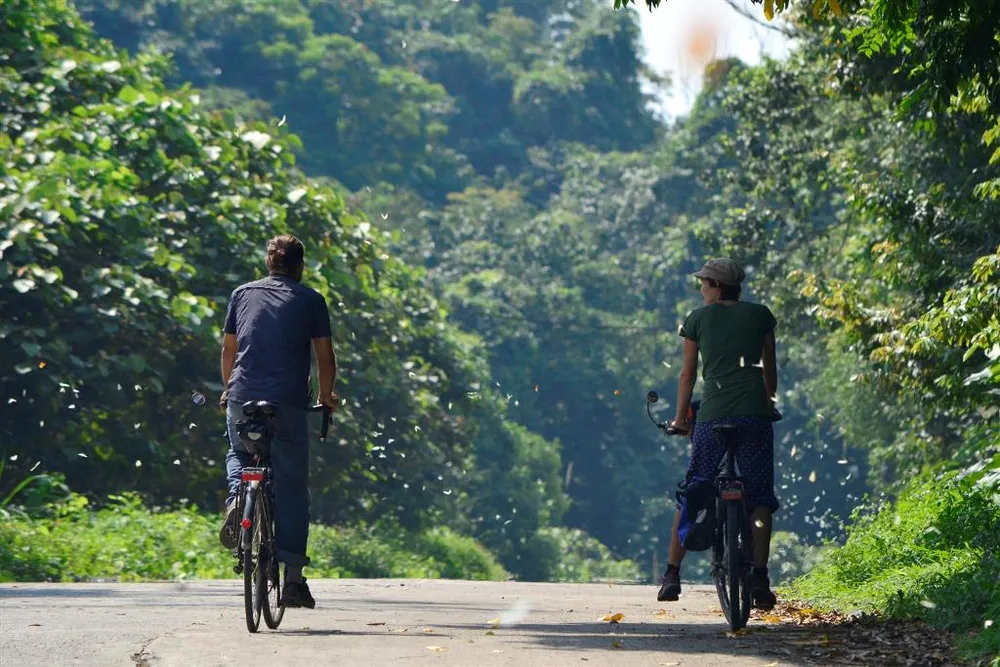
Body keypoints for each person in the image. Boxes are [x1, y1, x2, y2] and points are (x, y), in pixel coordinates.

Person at [217, 234, 338, 609]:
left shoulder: (241, 294)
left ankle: (237, 497)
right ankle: (293, 582)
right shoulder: (311, 300)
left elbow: (229, 349)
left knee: (239, 452)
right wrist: (326, 396)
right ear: (300, 266)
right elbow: (325, 357)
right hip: (286, 403)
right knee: (292, 486)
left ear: (269, 263)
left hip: (241, 396)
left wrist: (228, 389)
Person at [657, 257, 779, 610]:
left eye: (704, 283)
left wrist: (680, 419)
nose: (701, 289)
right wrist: (769, 403)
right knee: (759, 496)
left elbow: (687, 375)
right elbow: (769, 369)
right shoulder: (760, 315)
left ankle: (672, 573)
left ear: (717, 286)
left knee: (695, 487)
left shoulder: (697, 319)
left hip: (712, 417)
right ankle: (760, 576)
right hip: (754, 416)